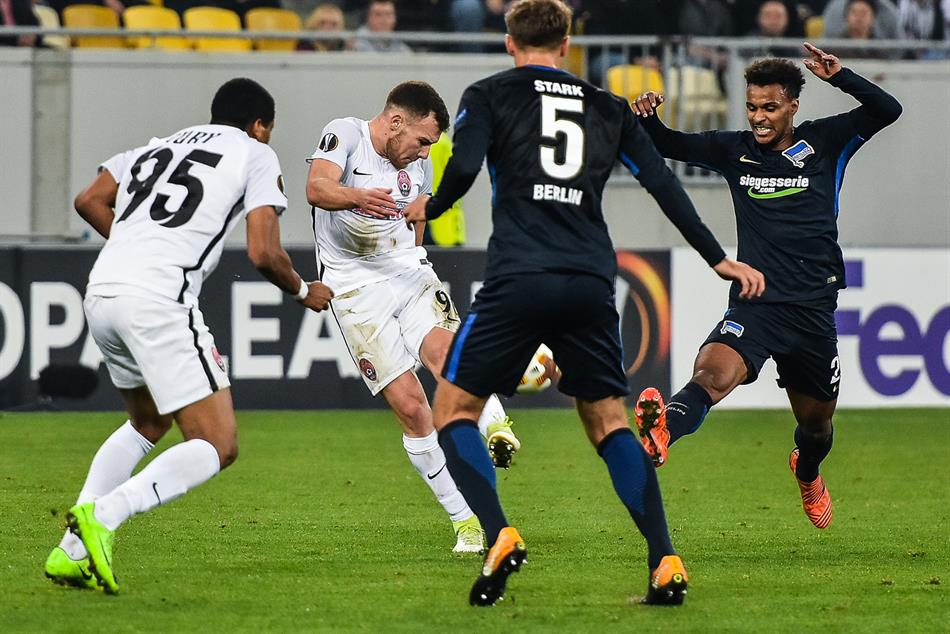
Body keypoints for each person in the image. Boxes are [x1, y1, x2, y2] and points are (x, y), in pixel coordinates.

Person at [403, 0, 764, 607]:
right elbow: (663, 182)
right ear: (567, 44)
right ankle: (664, 560)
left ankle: (499, 532)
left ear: (510, 43)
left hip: (519, 275)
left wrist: (430, 206)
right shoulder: (606, 106)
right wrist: (716, 257)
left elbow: (463, 167)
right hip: (591, 281)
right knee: (609, 423)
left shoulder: (489, 94)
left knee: (454, 409)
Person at [44, 78, 334, 594]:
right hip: (158, 298)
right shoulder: (254, 152)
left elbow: (89, 199)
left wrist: (136, 243)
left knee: (148, 421)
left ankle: (70, 551)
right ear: (260, 125)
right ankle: (103, 516)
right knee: (217, 443)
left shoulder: (156, 146)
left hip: (103, 290)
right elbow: (264, 252)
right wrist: (301, 290)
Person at [629, 44, 901, 530]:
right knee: (710, 376)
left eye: (770, 108)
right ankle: (663, 428)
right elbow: (668, 143)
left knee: (816, 428)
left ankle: (808, 472)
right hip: (755, 303)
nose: (758, 117)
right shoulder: (733, 150)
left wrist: (841, 76)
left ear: (793, 106)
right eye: (752, 107)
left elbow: (887, 110)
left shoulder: (826, 141)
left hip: (812, 309)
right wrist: (648, 118)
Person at [305, 80, 523, 554]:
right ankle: (465, 521)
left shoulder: (417, 166)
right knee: (411, 407)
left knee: (446, 354)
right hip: (353, 287)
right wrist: (358, 197)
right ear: (396, 121)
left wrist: (415, 261)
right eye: (422, 141)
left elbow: (417, 221)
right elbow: (316, 187)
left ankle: (496, 425)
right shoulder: (346, 134)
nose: (424, 154)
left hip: (407, 272)